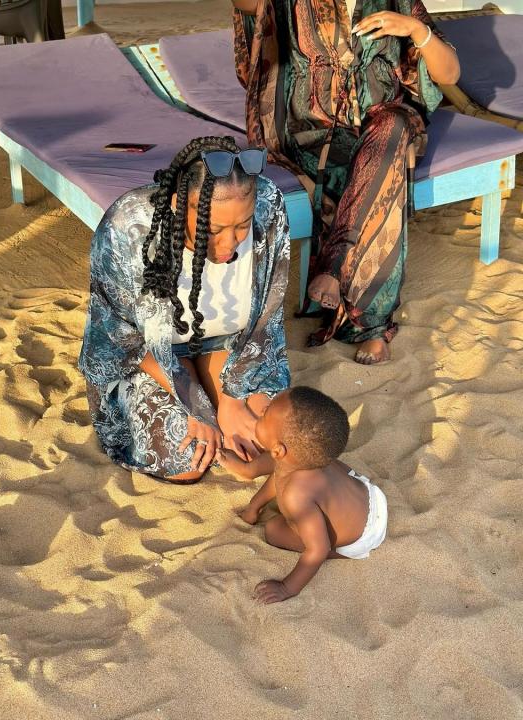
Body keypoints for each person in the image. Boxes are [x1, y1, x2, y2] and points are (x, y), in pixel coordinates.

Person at [231, 0, 460, 364]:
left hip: (385, 118)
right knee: (368, 171)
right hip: (312, 128)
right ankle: (366, 319)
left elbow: (449, 73)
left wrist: (417, 31)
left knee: (389, 134)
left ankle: (337, 274)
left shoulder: (396, 2)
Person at [79, 136, 291, 483]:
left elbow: (267, 319)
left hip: (230, 347)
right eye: (215, 228)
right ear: (180, 205)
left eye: (241, 226)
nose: (230, 243)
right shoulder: (128, 227)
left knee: (272, 438)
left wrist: (233, 400)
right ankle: (196, 379)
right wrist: (195, 404)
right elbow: (118, 340)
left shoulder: (268, 206)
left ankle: (210, 374)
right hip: (147, 357)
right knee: (186, 460)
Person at [216, 386, 388, 603]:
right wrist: (251, 494)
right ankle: (257, 508)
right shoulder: (304, 456)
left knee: (274, 530)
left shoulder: (296, 496)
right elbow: (273, 469)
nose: (262, 411)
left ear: (278, 450)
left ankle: (344, 552)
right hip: (368, 496)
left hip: (362, 535)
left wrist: (287, 588)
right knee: (291, 473)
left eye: (266, 414)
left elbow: (318, 549)